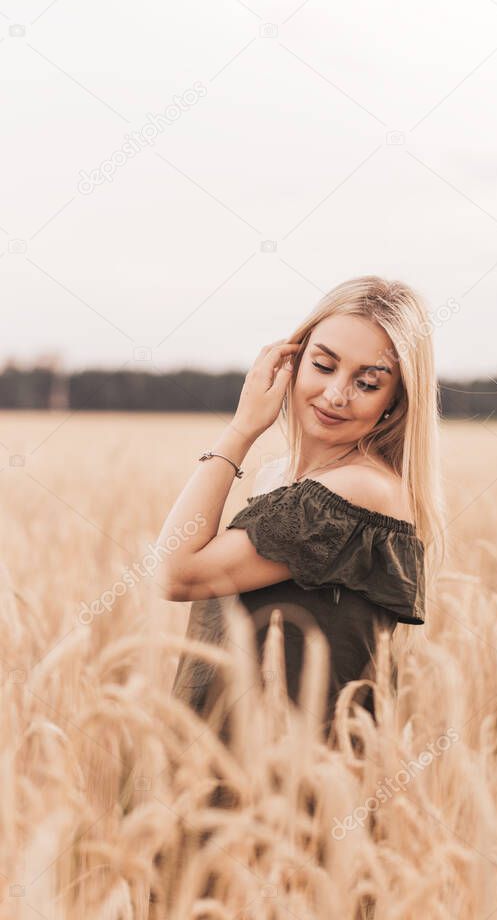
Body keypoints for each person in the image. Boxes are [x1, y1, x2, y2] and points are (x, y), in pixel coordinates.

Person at [157, 275, 447, 743]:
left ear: (396, 401)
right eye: (323, 364)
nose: (336, 394)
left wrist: (241, 429)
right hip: (224, 763)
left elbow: (177, 572)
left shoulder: (358, 490)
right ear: (292, 361)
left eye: (367, 382)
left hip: (297, 787)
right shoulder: (277, 480)